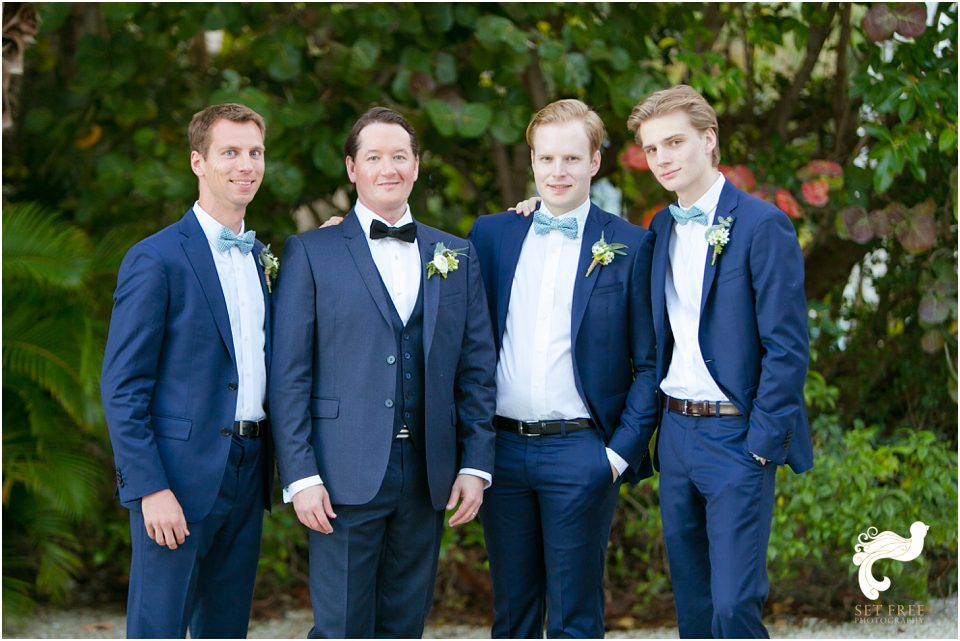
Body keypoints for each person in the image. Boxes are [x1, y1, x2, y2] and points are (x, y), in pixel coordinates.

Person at [269, 107, 497, 639]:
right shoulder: (311, 252)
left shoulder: (456, 253)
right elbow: (290, 375)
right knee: (342, 625)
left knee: (405, 623)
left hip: (426, 472)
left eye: (399, 156)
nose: (387, 167)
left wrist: (476, 464)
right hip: (340, 473)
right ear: (352, 168)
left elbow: (477, 369)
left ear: (417, 166)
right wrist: (300, 475)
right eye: (374, 157)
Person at [626, 85, 813, 638]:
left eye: (675, 141)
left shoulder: (762, 225)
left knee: (734, 606)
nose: (663, 158)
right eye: (652, 147)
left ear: (709, 141)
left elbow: (788, 346)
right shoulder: (660, 228)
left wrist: (761, 443)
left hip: (737, 438)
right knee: (695, 609)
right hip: (677, 435)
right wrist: (534, 209)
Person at [469, 99, 659, 638]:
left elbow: (648, 364)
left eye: (572, 159)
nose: (559, 171)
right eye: (547, 158)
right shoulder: (494, 235)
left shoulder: (630, 245)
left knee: (576, 615)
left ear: (595, 162)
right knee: (512, 614)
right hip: (501, 453)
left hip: (581, 452)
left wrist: (618, 455)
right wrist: (344, 233)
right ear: (532, 161)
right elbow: (454, 327)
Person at [101, 103, 274, 638]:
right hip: (176, 475)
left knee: (226, 628)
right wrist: (150, 487)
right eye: (230, 152)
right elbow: (123, 384)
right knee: (159, 626)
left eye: (254, 152)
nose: (246, 165)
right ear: (198, 162)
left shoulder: (261, 257)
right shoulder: (156, 258)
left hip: (248, 468)